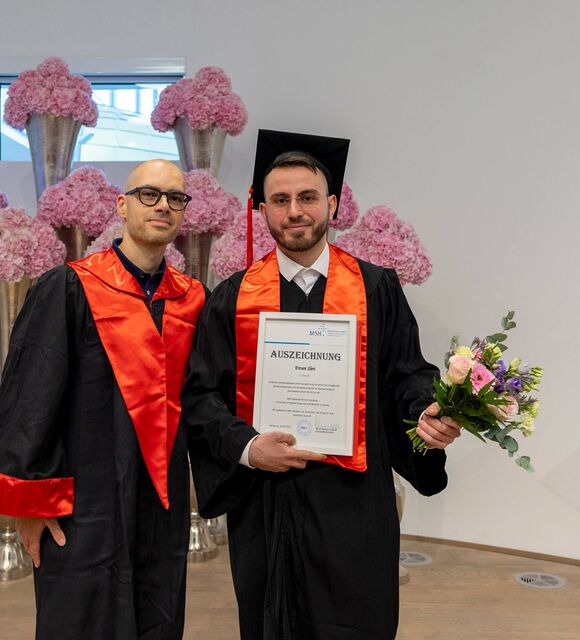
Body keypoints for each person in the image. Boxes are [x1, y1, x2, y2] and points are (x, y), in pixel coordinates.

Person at [182, 130, 463, 639]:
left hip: (352, 500)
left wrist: (425, 412)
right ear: (262, 211)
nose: (294, 211)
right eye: (280, 200)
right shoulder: (233, 298)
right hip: (266, 499)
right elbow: (201, 398)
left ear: (331, 204)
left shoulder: (376, 288)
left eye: (307, 197)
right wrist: (248, 448)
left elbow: (407, 374)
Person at [0, 159, 205, 640]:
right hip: (84, 503)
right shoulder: (69, 287)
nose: (163, 206)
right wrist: (31, 502)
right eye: (149, 194)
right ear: (123, 205)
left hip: (161, 502)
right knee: (81, 618)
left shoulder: (192, 299)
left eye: (175, 198)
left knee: (157, 612)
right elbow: (31, 398)